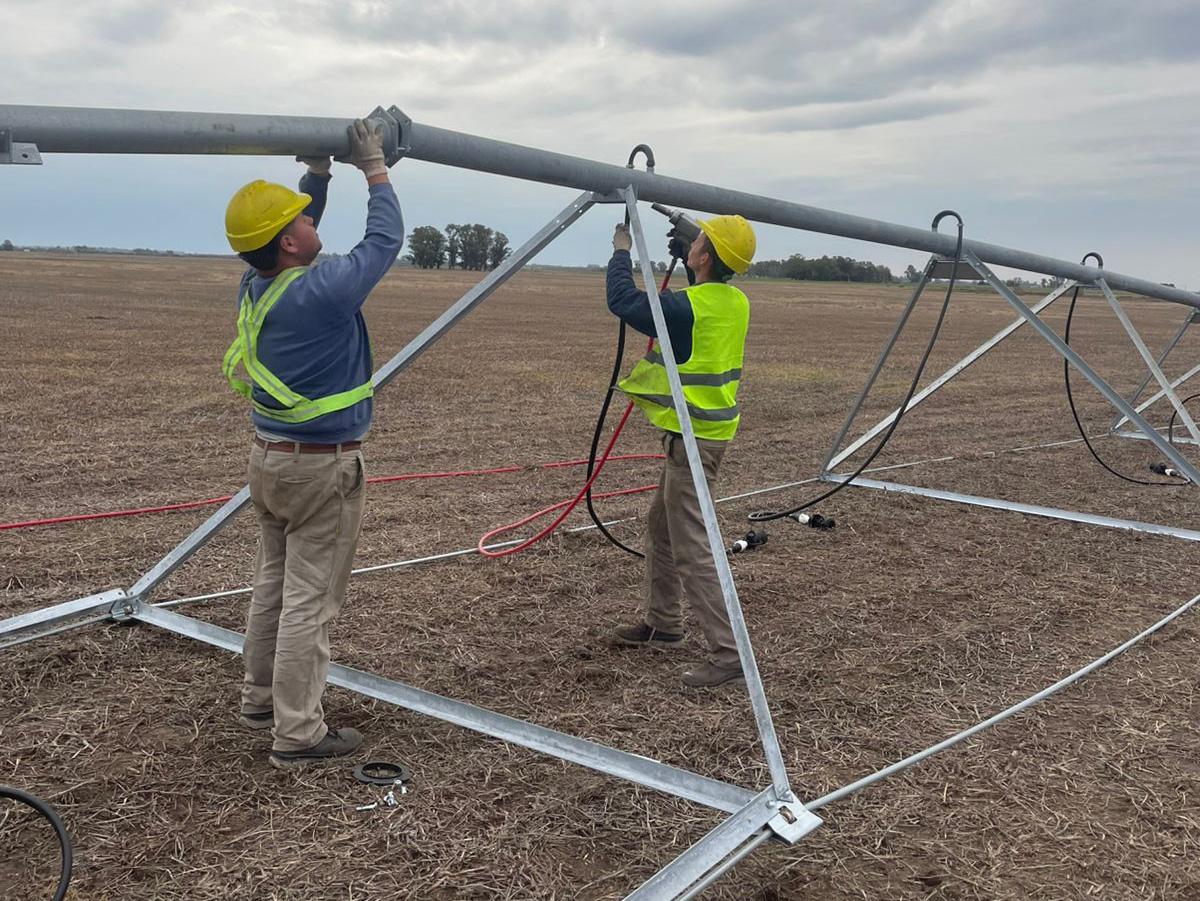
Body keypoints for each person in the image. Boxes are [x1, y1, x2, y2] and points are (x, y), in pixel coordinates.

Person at [221, 120, 403, 768]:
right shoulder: (323, 292)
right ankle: (297, 731)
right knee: (310, 600)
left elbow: (296, 235)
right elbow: (385, 240)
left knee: (274, 581)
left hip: (270, 462)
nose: (308, 218)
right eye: (300, 216)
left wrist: (317, 178)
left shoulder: (259, 285)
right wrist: (374, 168)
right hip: (320, 472)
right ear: (289, 242)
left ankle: (260, 699)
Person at [606, 214, 756, 688]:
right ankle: (663, 623)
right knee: (661, 527)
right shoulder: (735, 302)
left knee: (693, 548)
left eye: (699, 243)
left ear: (704, 256)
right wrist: (695, 255)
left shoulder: (687, 307)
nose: (692, 245)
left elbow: (623, 300)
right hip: (705, 435)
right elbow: (698, 304)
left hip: (692, 442)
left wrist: (621, 250)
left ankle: (729, 654)